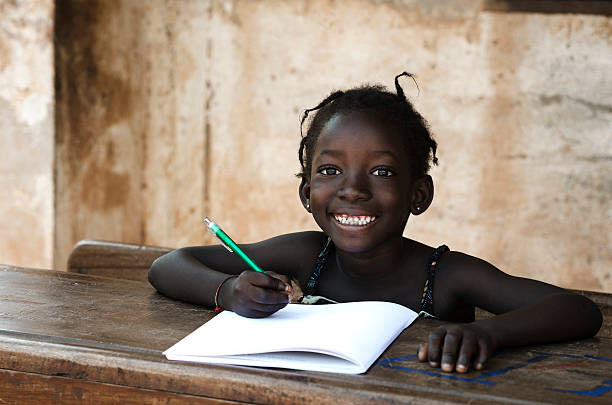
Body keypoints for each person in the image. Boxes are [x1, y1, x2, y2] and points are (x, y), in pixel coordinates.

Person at [148, 73, 602, 374]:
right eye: (329, 171)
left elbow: (578, 309)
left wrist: (488, 332)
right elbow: (170, 265)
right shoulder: (308, 255)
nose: (352, 189)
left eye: (381, 172)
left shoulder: (444, 276)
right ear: (307, 195)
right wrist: (227, 291)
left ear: (418, 194)